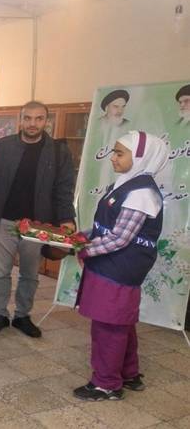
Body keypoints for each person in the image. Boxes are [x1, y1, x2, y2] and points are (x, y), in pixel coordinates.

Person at [73, 131, 169, 401]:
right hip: (111, 264)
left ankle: (106, 385)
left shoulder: (142, 194)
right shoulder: (128, 183)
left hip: (119, 269)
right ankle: (129, 373)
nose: (112, 158)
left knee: (108, 326)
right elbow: (107, 226)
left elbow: (120, 238)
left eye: (119, 153)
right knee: (120, 322)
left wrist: (84, 248)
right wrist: (82, 236)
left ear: (140, 156)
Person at [0, 100, 76, 338]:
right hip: (3, 221)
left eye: (38, 118)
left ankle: (22, 315)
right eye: (27, 118)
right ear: (20, 120)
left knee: (29, 274)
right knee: (0, 273)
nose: (32, 123)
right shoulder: (2, 147)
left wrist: (66, 218)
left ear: (46, 121)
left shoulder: (58, 151)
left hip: (38, 224)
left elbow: (64, 188)